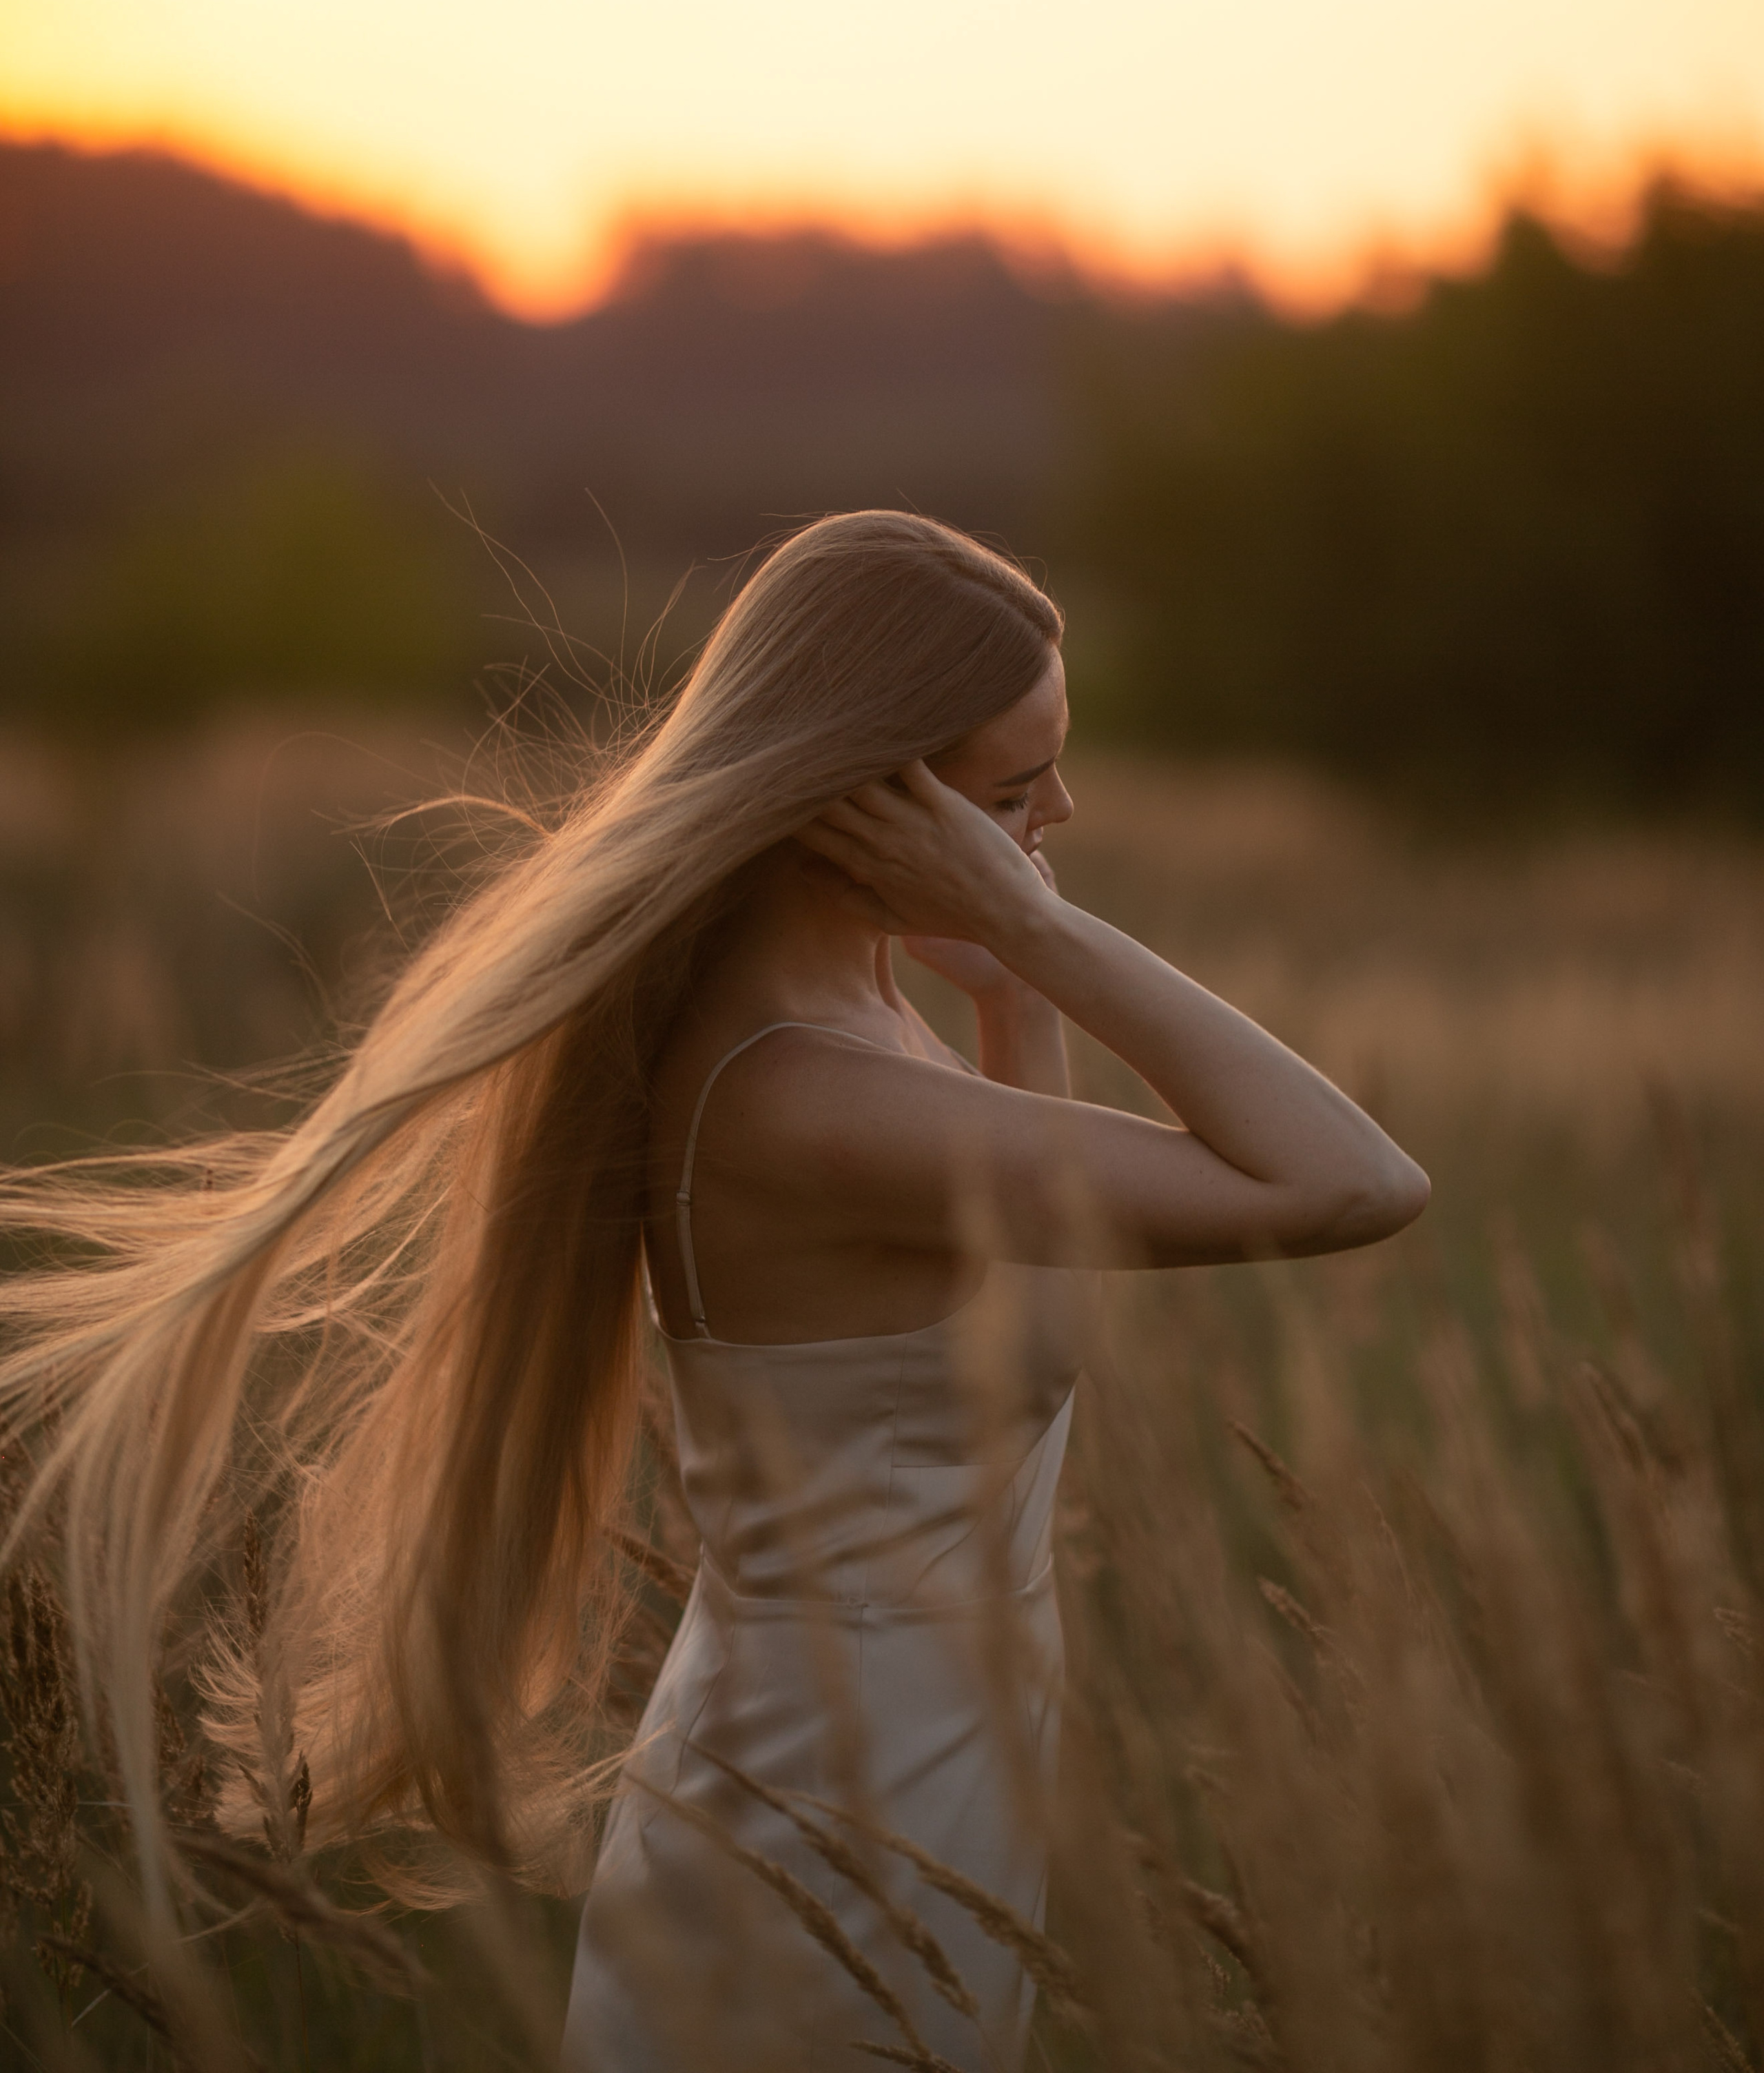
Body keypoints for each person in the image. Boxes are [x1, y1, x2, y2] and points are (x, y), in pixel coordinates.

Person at [0, 512, 1426, 2067]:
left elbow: (1032, 1327)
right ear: (860, 801)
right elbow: (1349, 1183)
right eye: (1015, 794)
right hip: (821, 1825)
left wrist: (1017, 992)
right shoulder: (802, 1096)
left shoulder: (861, 1019)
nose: (1059, 816)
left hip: (916, 1777)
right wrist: (1036, 927)